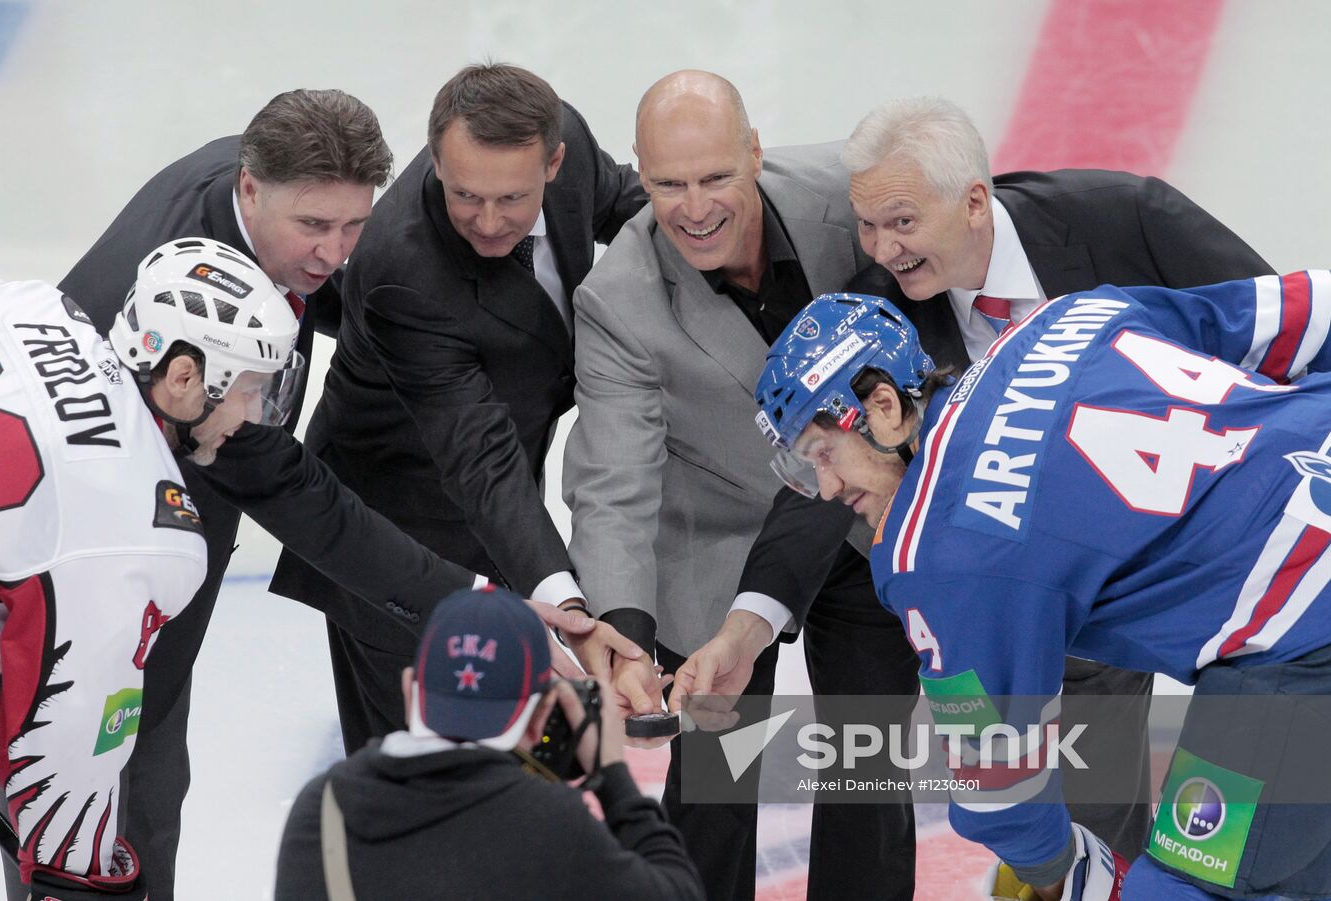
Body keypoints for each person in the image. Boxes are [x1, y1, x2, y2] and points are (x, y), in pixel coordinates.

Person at [683, 95, 1278, 865]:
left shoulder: (1123, 219)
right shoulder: (879, 310)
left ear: (972, 202)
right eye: (866, 224)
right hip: (1052, 606)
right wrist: (748, 625)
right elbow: (830, 467)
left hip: (1233, 566)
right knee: (1093, 842)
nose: (882, 247)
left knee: (1243, 842)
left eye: (901, 221)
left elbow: (1270, 327)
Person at [49, 89, 596, 900]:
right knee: (74, 827)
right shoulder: (156, 335)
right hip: (65, 573)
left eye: (354, 226)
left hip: (175, 536)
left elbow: (284, 461)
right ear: (248, 190)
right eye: (314, 228)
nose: (336, 253)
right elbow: (295, 493)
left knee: (149, 801)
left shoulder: (273, 203)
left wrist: (480, 595)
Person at [751, 284, 1331, 900]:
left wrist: (1068, 876)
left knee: (1181, 888)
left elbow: (998, 778)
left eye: (823, 452)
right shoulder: (1068, 317)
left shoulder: (935, 548)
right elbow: (1307, 308)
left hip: (1302, 632)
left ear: (885, 407)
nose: (827, 486)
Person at [563, 70, 918, 900]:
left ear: (756, 152)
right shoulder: (617, 299)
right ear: (639, 179)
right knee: (718, 786)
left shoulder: (847, 196)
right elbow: (613, 480)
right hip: (720, 547)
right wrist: (622, 630)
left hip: (864, 526)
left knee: (869, 770)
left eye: (716, 176)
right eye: (667, 185)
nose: (693, 207)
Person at [270, 63, 647, 754]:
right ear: (436, 160)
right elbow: (480, 458)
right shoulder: (401, 270)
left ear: (554, 161)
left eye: (513, 197)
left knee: (504, 774)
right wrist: (568, 608)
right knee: (414, 783)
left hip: (501, 517)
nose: (489, 219)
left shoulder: (566, 138)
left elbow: (627, 205)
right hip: (397, 539)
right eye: (465, 193)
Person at [0, 238, 299, 898]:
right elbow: (64, 776)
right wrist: (82, 881)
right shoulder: (143, 536)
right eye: (249, 390)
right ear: (184, 379)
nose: (254, 416)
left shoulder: (40, 308)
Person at [273, 585, 703, 901]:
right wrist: (613, 776)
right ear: (542, 717)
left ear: (409, 691)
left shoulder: (321, 808)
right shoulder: (550, 825)